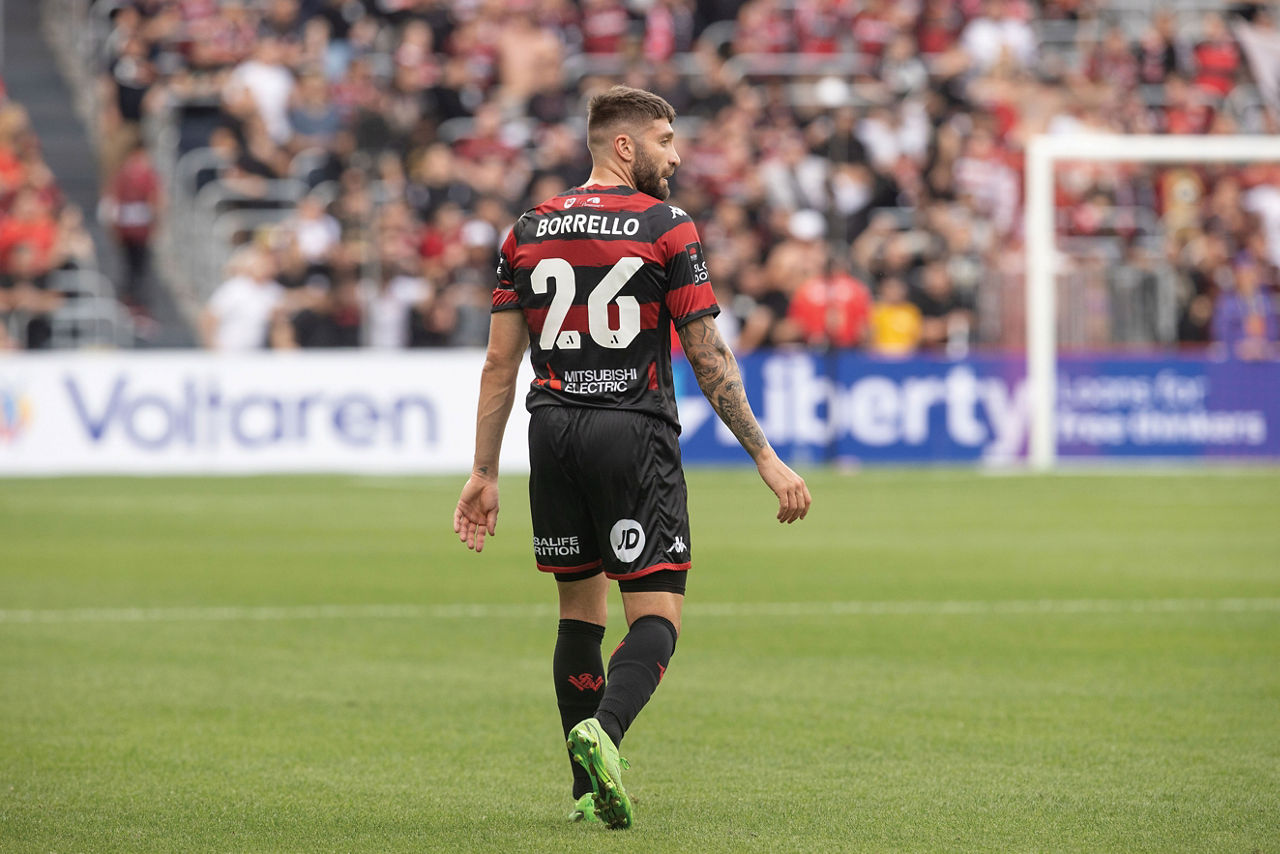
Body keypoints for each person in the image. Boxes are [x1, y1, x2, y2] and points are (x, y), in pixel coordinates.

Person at [452, 86, 811, 830]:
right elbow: (706, 353)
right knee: (657, 614)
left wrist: (484, 472)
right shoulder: (667, 227)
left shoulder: (526, 228)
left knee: (578, 612)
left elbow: (497, 364)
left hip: (549, 433)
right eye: (666, 139)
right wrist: (765, 457)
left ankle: (584, 791)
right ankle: (603, 735)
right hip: (632, 432)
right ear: (625, 146)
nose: (675, 155)